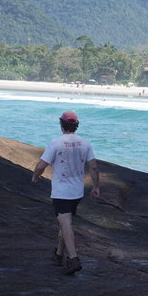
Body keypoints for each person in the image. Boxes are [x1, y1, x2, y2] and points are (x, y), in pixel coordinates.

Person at [32, 111, 100, 275]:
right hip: (77, 192)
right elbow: (94, 167)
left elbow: (41, 166)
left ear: (61, 124)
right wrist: (96, 186)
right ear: (76, 125)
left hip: (61, 192)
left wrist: (35, 176)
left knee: (66, 223)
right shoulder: (85, 143)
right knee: (66, 222)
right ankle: (58, 255)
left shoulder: (56, 143)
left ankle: (73, 259)